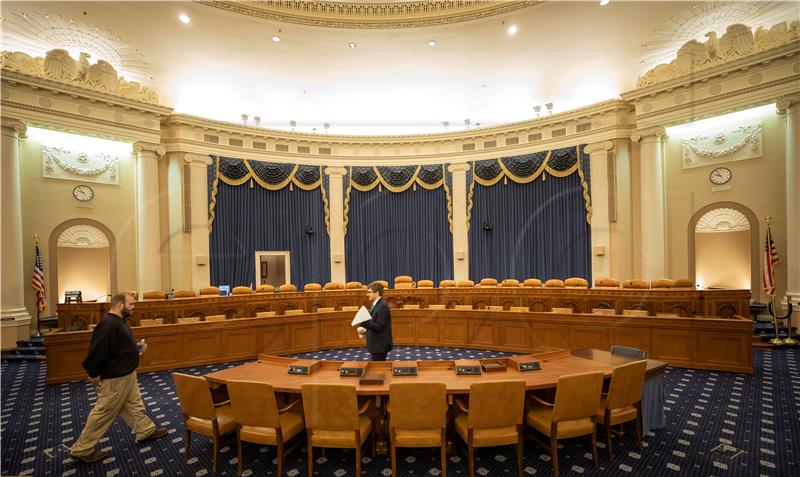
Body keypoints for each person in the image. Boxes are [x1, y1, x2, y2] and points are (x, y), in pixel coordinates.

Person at [69, 292, 168, 463]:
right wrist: (93, 373)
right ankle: (82, 448)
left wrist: (136, 349)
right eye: (131, 304)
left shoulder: (118, 323)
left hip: (126, 373)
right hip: (115, 378)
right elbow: (97, 352)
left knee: (133, 404)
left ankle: (145, 430)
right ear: (120, 305)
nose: (133, 307)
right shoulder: (108, 325)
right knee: (105, 411)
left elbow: (118, 348)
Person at [357, 281, 393, 361]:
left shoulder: (382, 306)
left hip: (379, 346)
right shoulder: (376, 304)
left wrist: (364, 321)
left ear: (376, 293)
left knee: (378, 370)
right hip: (376, 345)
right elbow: (375, 324)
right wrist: (365, 330)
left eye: (369, 292)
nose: (367, 294)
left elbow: (379, 326)